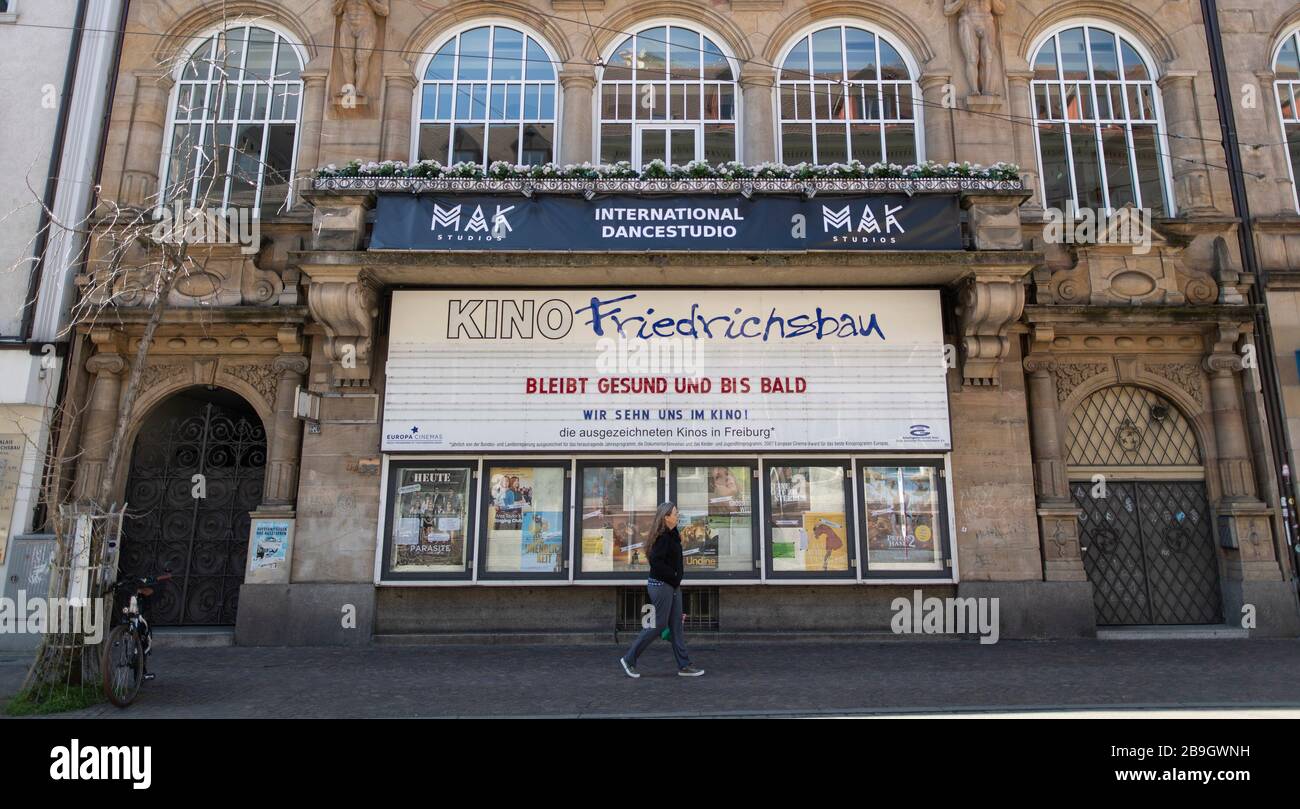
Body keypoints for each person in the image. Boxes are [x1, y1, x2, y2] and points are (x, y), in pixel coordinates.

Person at [619, 502, 705, 678]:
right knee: (657, 625)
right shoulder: (663, 537)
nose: (678, 514)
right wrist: (674, 577)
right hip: (662, 586)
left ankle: (684, 665)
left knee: (676, 627)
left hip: (672, 586)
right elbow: (656, 563)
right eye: (675, 513)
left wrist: (675, 579)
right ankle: (629, 659)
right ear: (666, 517)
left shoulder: (672, 534)